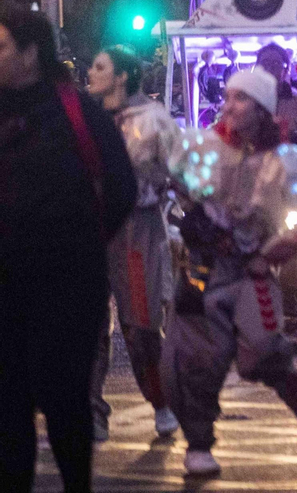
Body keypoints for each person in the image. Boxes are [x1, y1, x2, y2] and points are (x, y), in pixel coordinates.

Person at [162, 68, 297, 477]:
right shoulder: (201, 146)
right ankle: (198, 445)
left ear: (262, 108)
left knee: (264, 354)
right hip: (203, 271)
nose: (228, 105)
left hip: (250, 275)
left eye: (240, 99)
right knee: (193, 359)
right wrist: (194, 219)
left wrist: (269, 256)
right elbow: (176, 186)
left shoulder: (287, 162)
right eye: (228, 96)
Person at [0, 6, 137, 493]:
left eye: (1, 47)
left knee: (65, 403)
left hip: (67, 286)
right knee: (8, 407)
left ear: (31, 52)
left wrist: (81, 243)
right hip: (6, 290)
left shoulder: (77, 111)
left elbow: (122, 188)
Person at [84, 45, 180, 442]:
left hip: (136, 232)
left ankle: (162, 402)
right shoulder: (84, 119)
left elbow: (183, 174)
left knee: (139, 329)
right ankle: (92, 412)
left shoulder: (154, 120)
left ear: (121, 76)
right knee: (87, 327)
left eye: (99, 66)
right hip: (87, 234)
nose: (90, 71)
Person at [255, 43, 297, 151]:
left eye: (276, 63)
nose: (269, 68)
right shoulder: (243, 101)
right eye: (265, 63)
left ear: (285, 71)